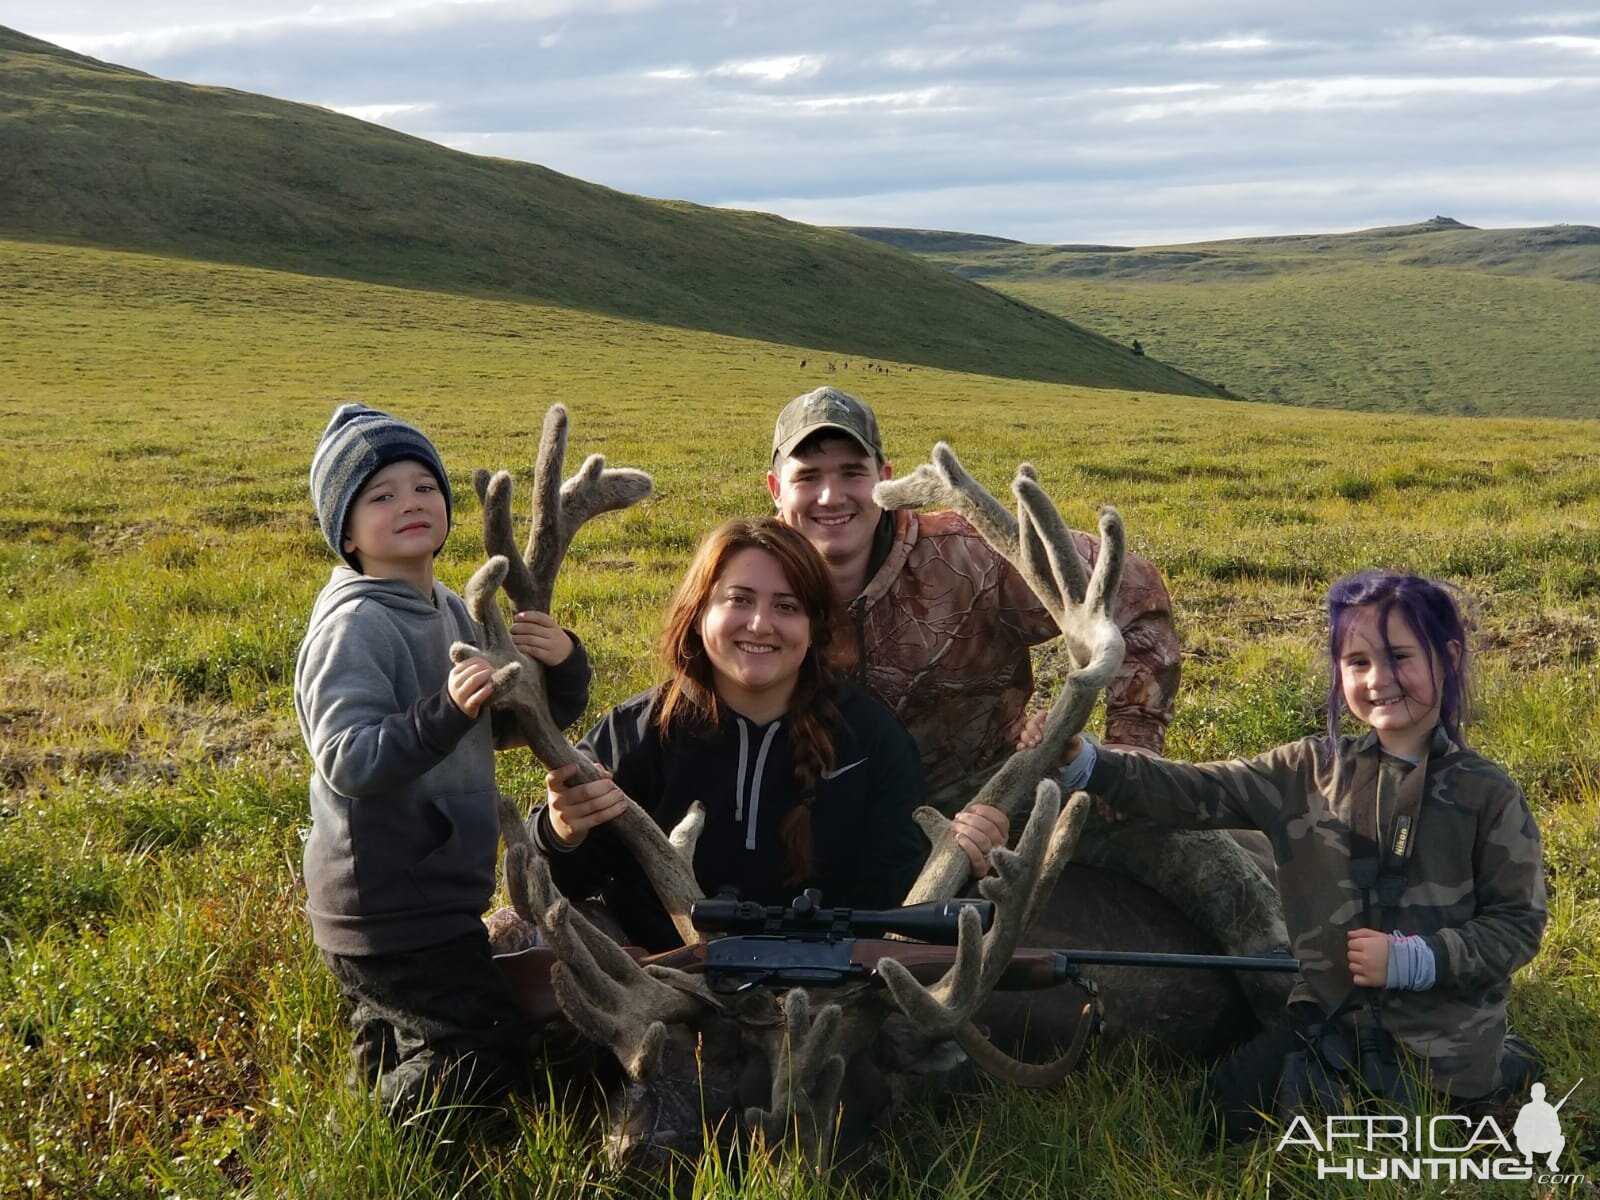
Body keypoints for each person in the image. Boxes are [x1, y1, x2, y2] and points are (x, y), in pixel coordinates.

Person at [766, 386, 1290, 1020]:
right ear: (775, 487)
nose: (831, 496)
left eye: (851, 473)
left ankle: (1289, 1003)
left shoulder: (968, 556)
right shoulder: (758, 583)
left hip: (997, 787)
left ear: (885, 477)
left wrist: (1130, 747)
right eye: (808, 476)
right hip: (836, 812)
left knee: (1200, 854)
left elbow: (1129, 589)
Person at [1051, 570, 1547, 1140]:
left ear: (1448, 657)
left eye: (1401, 657)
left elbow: (1518, 924)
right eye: (1358, 663)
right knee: (1210, 1124)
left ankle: (1504, 1064)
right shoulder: (1304, 771)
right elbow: (1193, 791)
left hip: (1443, 1050)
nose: (1379, 679)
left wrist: (1416, 960)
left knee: (1392, 1142)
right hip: (1327, 1025)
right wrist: (1089, 762)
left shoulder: (1488, 793)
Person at [294, 402, 593, 1117]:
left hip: (436, 896)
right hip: (386, 904)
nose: (410, 504)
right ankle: (378, 1135)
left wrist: (563, 665)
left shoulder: (455, 612)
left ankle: (371, 1099)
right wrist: (444, 712)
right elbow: (347, 758)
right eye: (381, 494)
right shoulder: (354, 625)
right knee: (481, 1046)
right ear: (345, 530)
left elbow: (507, 727)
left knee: (400, 1030)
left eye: (424, 486)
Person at [530, 517, 1007, 952]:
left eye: (787, 606)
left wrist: (963, 860)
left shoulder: (871, 740)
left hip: (829, 987)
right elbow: (560, 879)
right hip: (664, 982)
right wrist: (563, 832)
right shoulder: (635, 732)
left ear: (814, 626)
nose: (760, 624)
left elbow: (898, 893)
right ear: (699, 613)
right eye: (738, 600)